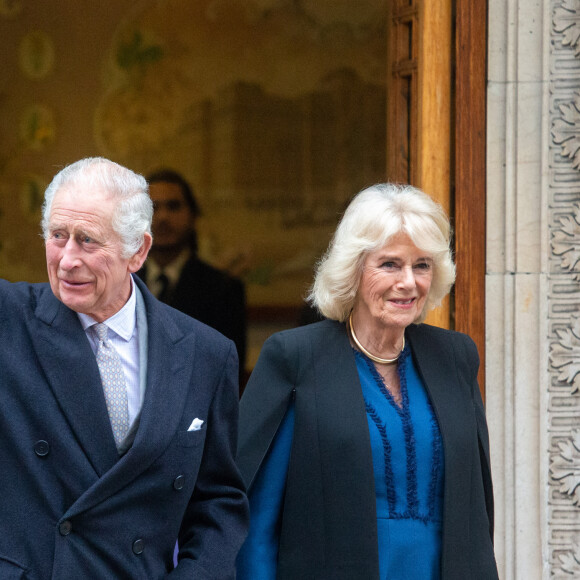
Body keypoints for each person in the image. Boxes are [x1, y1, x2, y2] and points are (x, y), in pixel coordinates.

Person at [0, 157, 248, 578]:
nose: (67, 260)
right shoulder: (9, 320)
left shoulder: (205, 353)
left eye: (88, 241)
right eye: (57, 236)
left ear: (138, 251)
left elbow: (218, 502)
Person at [236, 183, 498, 579]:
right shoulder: (295, 359)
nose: (408, 282)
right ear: (354, 268)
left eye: (422, 265)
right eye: (390, 264)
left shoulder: (456, 357)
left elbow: (477, 511)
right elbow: (256, 519)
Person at [137, 169, 247, 370]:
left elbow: (229, 368)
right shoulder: (120, 283)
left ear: (192, 215)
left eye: (174, 206)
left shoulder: (223, 289)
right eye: (153, 207)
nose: (162, 217)